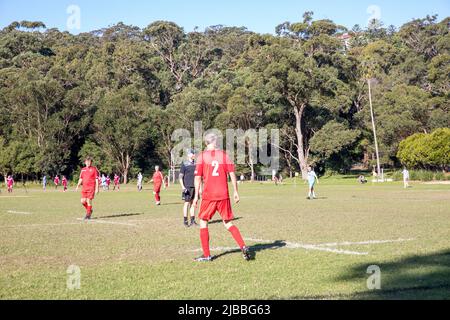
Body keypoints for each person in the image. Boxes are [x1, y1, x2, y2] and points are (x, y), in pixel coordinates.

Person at [192, 133, 251, 262]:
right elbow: (232, 174)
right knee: (228, 223)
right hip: (224, 194)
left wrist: (196, 196)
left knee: (203, 222)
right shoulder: (224, 155)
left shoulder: (202, 156)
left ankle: (207, 255)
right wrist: (235, 191)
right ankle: (243, 246)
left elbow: (197, 178)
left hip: (209, 195)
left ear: (205, 143)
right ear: (215, 141)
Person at [76, 156, 100, 220]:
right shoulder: (83, 169)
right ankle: (89, 210)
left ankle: (88, 215)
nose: (88, 163)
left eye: (89, 162)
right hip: (84, 188)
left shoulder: (94, 169)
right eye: (87, 162)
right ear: (85, 162)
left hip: (91, 188)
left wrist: (97, 188)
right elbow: (81, 178)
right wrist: (78, 185)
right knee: (82, 201)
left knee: (89, 201)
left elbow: (97, 179)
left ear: (91, 162)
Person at [179, 150, 198, 227]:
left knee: (193, 203)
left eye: (194, 153)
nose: (194, 155)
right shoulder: (184, 164)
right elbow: (180, 177)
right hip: (187, 186)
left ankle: (193, 221)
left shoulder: (196, 164)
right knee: (186, 203)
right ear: (189, 155)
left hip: (195, 186)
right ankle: (185, 221)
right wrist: (183, 187)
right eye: (192, 153)